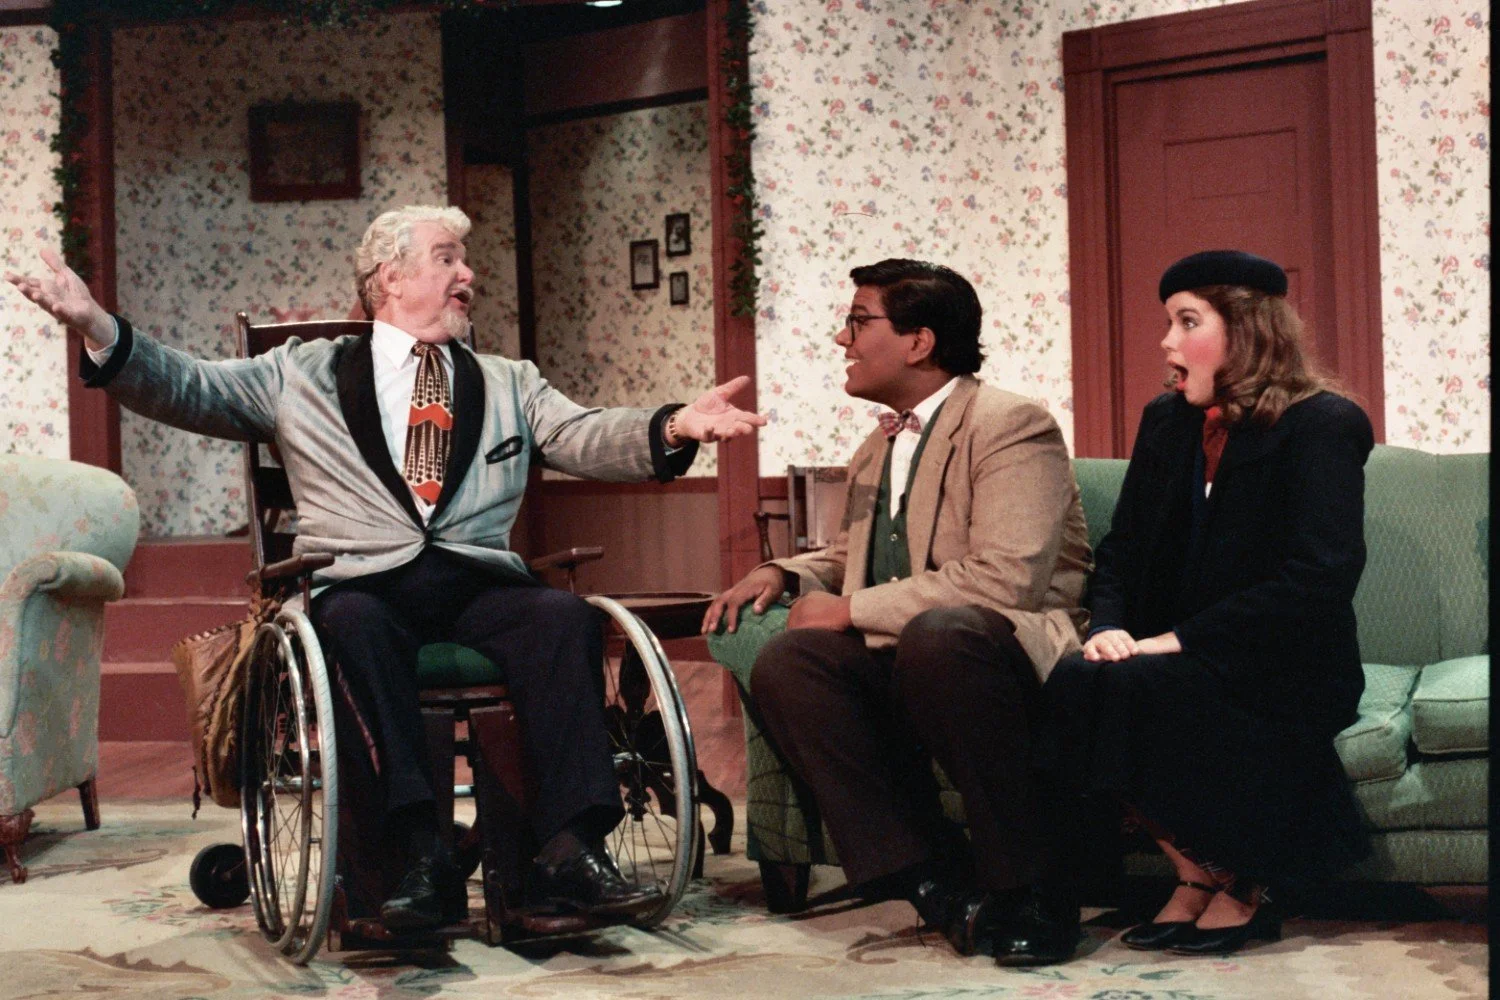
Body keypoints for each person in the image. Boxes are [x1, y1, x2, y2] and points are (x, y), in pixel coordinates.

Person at [7, 205, 765, 932]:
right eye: (448, 258)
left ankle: (572, 846)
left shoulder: (507, 380)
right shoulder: (296, 374)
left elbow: (584, 435)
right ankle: (417, 853)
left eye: (464, 261)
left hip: (476, 581)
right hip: (363, 582)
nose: (468, 274)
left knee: (563, 617)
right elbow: (190, 385)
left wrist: (674, 425)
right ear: (389, 279)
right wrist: (96, 326)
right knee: (354, 627)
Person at [703, 258, 1092, 966]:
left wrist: (850, 609)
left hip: (992, 656)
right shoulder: (877, 446)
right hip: (907, 655)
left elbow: (1005, 580)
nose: (841, 339)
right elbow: (860, 550)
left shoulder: (1010, 424)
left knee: (941, 636)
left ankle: (1035, 890)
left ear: (919, 341)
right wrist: (782, 571)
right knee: (790, 659)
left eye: (858, 321)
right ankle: (935, 883)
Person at [1043, 250, 1372, 956]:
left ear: (1249, 330)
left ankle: (1246, 884)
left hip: (1283, 658)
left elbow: (1320, 575)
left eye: (1186, 321)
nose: (1166, 341)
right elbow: (1122, 549)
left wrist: (1181, 639)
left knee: (1158, 682)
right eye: (1169, 322)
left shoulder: (1324, 424)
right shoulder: (1167, 422)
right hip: (1175, 650)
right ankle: (1199, 872)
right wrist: (1107, 627)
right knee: (1080, 677)